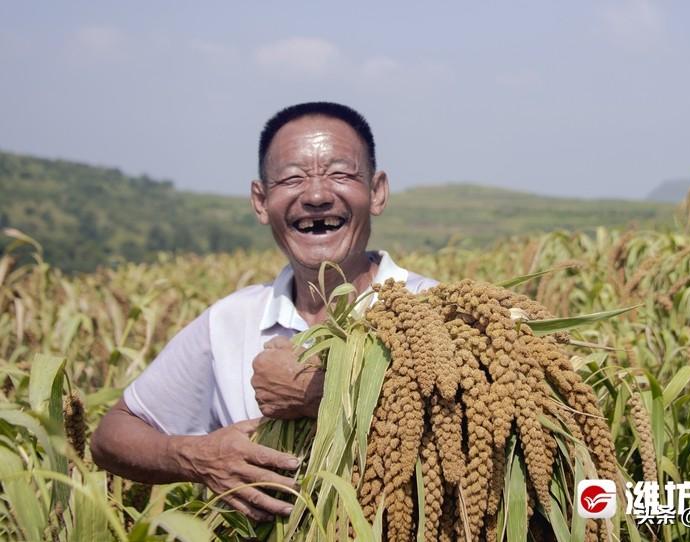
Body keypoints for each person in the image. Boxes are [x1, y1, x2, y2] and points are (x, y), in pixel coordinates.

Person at [90, 102, 437, 521]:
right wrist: (199, 456)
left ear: (377, 191)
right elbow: (112, 435)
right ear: (260, 201)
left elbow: (495, 426)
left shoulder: (437, 311)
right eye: (292, 178)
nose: (315, 196)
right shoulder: (230, 322)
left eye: (341, 174)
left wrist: (319, 393)